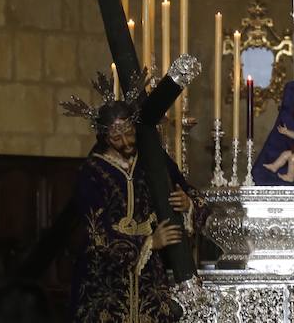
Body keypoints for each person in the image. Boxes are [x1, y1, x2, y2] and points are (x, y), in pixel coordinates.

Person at [69, 95, 206, 323]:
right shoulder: (92, 171)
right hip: (105, 277)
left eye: (130, 133)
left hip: (150, 276)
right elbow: (97, 232)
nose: (125, 142)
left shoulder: (151, 159)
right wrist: (149, 242)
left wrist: (187, 204)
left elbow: (192, 194)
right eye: (116, 137)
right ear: (104, 137)